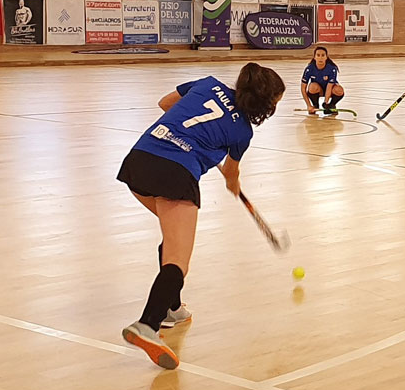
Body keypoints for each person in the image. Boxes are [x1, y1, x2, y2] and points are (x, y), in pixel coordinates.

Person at [118, 63, 285, 369]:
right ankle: (147, 325)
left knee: (173, 237)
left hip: (138, 160)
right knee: (178, 261)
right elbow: (232, 175)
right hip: (174, 175)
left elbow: (166, 103)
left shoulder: (207, 83)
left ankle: (172, 308)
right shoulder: (242, 132)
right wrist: (230, 179)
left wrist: (189, 137)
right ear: (264, 104)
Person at [300, 46, 345, 115]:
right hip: (317, 90)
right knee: (312, 86)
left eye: (323, 55)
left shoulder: (332, 69)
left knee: (339, 90)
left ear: (326, 57)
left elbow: (329, 86)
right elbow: (303, 88)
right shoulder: (309, 69)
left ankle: (331, 105)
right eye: (318, 55)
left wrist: (326, 103)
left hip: (330, 90)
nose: (320, 58)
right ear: (314, 57)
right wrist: (308, 105)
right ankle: (315, 105)